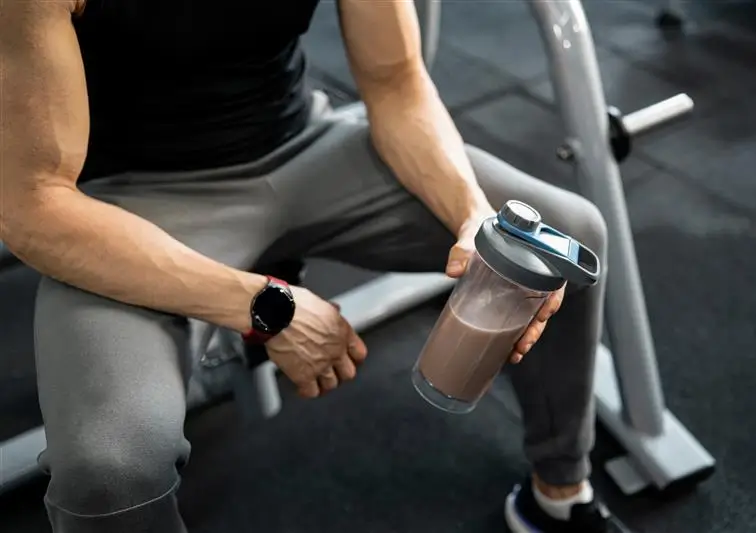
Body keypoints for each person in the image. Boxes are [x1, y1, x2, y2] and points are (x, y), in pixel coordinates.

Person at [0, 1, 630, 532]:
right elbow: (32, 205)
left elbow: (397, 82)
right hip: (136, 202)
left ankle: (557, 494)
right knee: (110, 469)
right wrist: (265, 307)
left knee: (565, 236)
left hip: (306, 145)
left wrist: (474, 219)